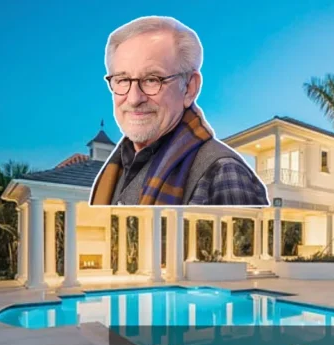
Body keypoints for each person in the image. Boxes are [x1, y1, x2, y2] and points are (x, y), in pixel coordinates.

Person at [90, 16, 269, 206]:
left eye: (152, 79)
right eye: (123, 80)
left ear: (190, 88)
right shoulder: (116, 170)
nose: (134, 99)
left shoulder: (223, 174)